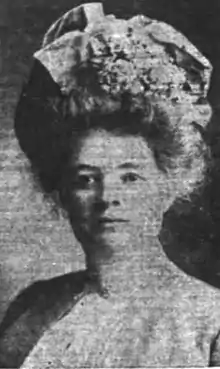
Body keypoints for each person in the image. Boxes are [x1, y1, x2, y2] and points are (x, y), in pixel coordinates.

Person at [0, 2, 220, 367]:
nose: (108, 199)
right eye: (86, 179)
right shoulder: (34, 307)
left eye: (130, 177)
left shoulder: (209, 324)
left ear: (168, 185)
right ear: (63, 193)